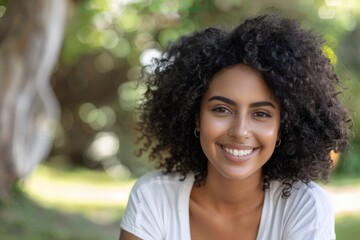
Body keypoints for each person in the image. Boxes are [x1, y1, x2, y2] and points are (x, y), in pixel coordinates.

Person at [119, 14, 351, 240]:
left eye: (261, 114)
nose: (240, 131)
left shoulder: (304, 206)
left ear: (282, 127)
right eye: (221, 109)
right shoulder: (154, 197)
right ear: (196, 116)